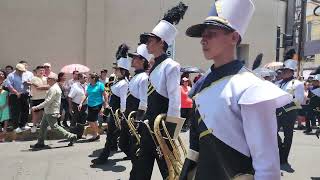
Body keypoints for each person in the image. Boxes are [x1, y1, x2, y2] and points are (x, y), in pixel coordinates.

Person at [179, 0, 292, 179]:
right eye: (203, 35)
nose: (203, 40)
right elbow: (198, 148)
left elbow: (267, 163)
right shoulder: (203, 86)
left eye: (211, 34)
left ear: (233, 37)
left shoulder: (251, 87)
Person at [135, 2, 187, 179]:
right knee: (141, 167)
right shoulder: (154, 67)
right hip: (150, 125)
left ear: (161, 42)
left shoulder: (171, 66)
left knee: (168, 170)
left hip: (162, 128)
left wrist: (170, 133)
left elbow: (175, 100)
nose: (147, 44)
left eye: (150, 41)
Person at [91, 44, 130, 165]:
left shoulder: (124, 83)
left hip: (117, 113)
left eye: (117, 69)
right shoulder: (118, 81)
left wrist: (121, 115)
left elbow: (123, 100)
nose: (114, 71)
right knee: (119, 137)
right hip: (113, 111)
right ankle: (131, 154)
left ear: (122, 71)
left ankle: (103, 157)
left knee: (112, 136)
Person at [30, 73, 77, 149]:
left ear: (54, 80)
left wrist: (37, 107)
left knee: (54, 127)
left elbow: (48, 101)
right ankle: (40, 143)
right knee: (42, 127)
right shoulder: (53, 87)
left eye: (49, 78)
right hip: (48, 111)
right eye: (47, 78)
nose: (47, 79)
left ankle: (71, 136)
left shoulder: (53, 89)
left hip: (51, 111)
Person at [275, 59, 304, 168]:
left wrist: (286, 101)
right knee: (273, 133)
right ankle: (281, 149)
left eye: (286, 71)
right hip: (277, 111)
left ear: (292, 72)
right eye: (283, 71)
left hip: (289, 112)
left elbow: (299, 100)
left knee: (288, 135)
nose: (283, 72)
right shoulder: (278, 83)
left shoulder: (297, 84)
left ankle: (284, 158)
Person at [78, 72, 108, 141]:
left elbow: (105, 95)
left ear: (94, 79)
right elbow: (86, 94)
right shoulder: (89, 85)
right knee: (93, 120)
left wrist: (106, 104)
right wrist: (81, 103)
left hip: (97, 104)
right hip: (90, 105)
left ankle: (96, 134)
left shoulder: (100, 85)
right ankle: (96, 134)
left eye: (89, 77)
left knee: (90, 120)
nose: (88, 79)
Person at [5, 63, 31, 133]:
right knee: (16, 111)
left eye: (23, 71)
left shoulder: (24, 74)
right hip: (14, 95)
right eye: (20, 71)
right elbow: (9, 86)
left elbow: (27, 82)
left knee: (25, 109)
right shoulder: (11, 76)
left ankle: (23, 125)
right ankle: (15, 127)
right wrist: (16, 92)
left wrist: (28, 83)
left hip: (24, 94)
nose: (22, 72)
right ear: (16, 69)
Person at [30, 66, 50, 133]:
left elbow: (48, 87)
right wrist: (44, 87)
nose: (42, 72)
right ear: (36, 71)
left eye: (43, 70)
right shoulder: (33, 79)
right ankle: (34, 125)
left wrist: (42, 87)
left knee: (46, 112)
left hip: (45, 98)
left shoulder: (46, 78)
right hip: (36, 98)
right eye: (40, 70)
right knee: (36, 113)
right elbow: (38, 88)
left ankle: (46, 125)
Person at [68, 73, 88, 139]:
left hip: (84, 105)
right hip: (76, 105)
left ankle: (80, 135)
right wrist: (70, 108)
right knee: (74, 119)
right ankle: (71, 135)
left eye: (86, 77)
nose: (86, 78)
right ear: (80, 78)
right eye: (84, 77)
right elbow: (70, 97)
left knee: (82, 120)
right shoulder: (75, 86)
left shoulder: (87, 85)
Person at [0, 70, 9, 142]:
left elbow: (8, 97)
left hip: (5, 104)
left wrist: (5, 105)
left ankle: (4, 134)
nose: (1, 75)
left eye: (2, 74)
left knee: (5, 116)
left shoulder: (6, 84)